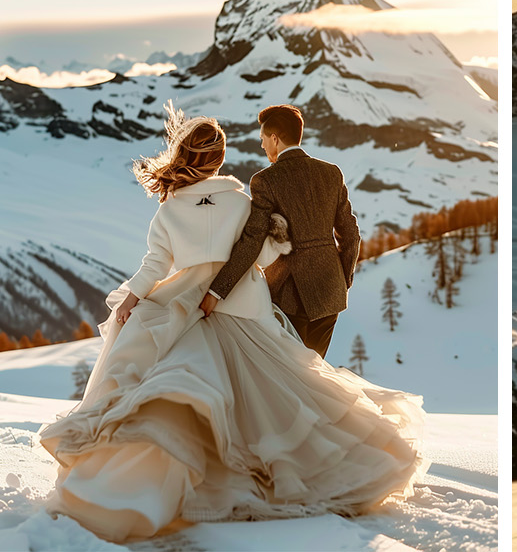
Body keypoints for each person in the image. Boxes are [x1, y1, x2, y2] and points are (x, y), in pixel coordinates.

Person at [38, 106, 424, 543]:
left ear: (184, 156)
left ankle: (139, 485)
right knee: (274, 392)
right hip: (242, 306)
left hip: (183, 305)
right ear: (220, 160)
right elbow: (255, 258)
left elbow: (154, 266)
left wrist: (130, 300)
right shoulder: (243, 202)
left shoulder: (167, 211)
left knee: (168, 387)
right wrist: (280, 241)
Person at [203, 104, 360, 358]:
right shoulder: (332, 173)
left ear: (275, 138)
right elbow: (350, 234)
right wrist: (342, 279)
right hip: (330, 293)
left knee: (290, 377)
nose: (262, 146)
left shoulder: (265, 180)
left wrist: (217, 291)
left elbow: (252, 240)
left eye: (263, 139)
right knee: (316, 375)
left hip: (290, 296)